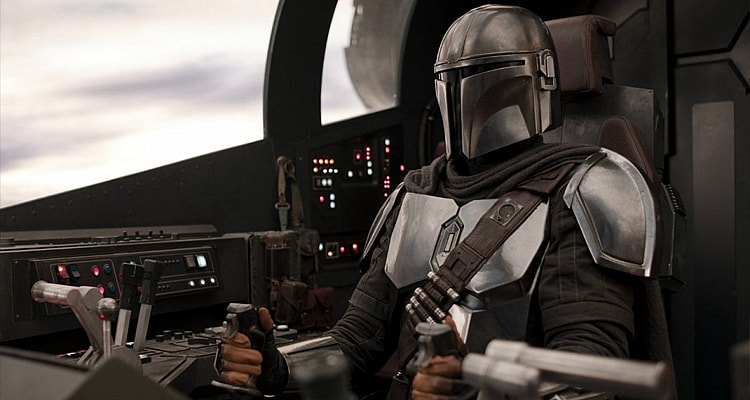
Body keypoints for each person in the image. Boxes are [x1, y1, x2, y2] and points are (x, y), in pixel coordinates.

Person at [219, 4, 671, 399]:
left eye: (479, 74)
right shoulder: (414, 193)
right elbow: (357, 340)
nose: (461, 91)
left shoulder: (579, 192)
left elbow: (587, 377)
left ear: (537, 76)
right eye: (450, 77)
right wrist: (274, 364)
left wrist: (475, 387)